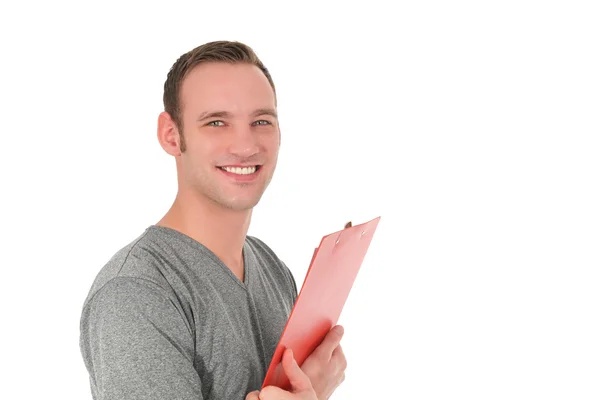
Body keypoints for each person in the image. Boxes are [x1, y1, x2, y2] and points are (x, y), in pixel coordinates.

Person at [79, 40, 347, 400]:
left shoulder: (271, 268)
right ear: (171, 135)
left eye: (261, 121)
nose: (244, 145)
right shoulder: (135, 292)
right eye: (216, 122)